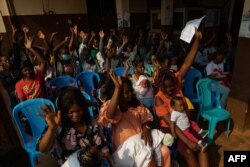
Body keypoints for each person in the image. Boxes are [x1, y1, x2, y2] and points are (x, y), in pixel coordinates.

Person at [154, 30, 209, 167]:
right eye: (166, 88)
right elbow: (173, 125)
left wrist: (197, 39)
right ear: (160, 86)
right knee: (189, 152)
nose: (170, 90)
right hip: (171, 129)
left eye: (172, 86)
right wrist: (188, 142)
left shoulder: (175, 83)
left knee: (204, 146)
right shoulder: (158, 99)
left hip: (186, 123)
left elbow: (187, 63)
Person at [97, 71, 171, 167]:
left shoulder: (136, 105)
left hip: (142, 141)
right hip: (127, 148)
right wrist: (118, 88)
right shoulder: (115, 108)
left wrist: (146, 128)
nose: (130, 94)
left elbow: (147, 120)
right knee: (149, 163)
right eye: (126, 93)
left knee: (165, 151)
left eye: (130, 91)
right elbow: (109, 115)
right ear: (117, 94)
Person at [36, 88, 110, 166]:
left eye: (78, 111)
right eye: (71, 112)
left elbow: (102, 146)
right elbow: (43, 149)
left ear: (84, 108)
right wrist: (52, 128)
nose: (75, 115)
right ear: (64, 112)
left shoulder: (91, 123)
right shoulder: (58, 126)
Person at [15, 37, 46, 101]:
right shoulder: (19, 84)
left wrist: (30, 48)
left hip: (43, 103)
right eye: (25, 71)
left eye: (29, 69)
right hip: (31, 106)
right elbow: (23, 103)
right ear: (21, 72)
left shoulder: (38, 76)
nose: (28, 72)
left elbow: (43, 62)